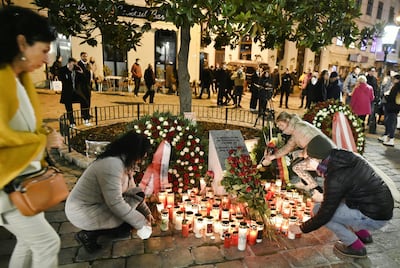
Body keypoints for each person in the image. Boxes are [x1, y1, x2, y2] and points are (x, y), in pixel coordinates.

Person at [0, 6, 60, 267]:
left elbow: (22, 128)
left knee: (29, 242)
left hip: (24, 183)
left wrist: (43, 133)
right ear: (22, 43)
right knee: (48, 243)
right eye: (44, 50)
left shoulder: (19, 80)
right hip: (9, 186)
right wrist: (40, 141)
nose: (46, 59)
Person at [289, 135, 394, 258]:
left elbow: (325, 214)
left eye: (309, 159)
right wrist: (325, 197)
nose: (308, 163)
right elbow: (347, 190)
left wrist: (301, 228)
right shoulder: (344, 158)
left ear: (316, 159)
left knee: (318, 210)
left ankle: (355, 247)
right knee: (335, 204)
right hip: (381, 208)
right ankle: (364, 235)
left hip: (374, 217)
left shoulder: (335, 177)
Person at [65, 131, 154, 253]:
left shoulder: (124, 163)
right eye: (143, 154)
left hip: (99, 205)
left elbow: (133, 192)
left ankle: (105, 229)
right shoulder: (111, 165)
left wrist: (146, 213)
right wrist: (141, 223)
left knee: (127, 224)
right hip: (82, 211)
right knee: (124, 227)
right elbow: (116, 203)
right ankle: (87, 234)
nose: (143, 158)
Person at [262, 112, 336, 191]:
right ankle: (309, 183)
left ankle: (316, 187)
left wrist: (303, 153)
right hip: (317, 153)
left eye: (281, 125)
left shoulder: (299, 128)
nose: (280, 128)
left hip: (322, 154)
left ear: (287, 121)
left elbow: (312, 140)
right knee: (296, 163)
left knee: (299, 167)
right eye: (278, 126)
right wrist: (272, 157)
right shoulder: (295, 130)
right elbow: (288, 147)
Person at [59, 57, 83, 127]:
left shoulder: (75, 70)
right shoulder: (63, 69)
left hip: (75, 91)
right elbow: (61, 78)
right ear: (69, 63)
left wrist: (80, 71)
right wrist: (69, 71)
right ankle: (72, 122)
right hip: (67, 92)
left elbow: (81, 79)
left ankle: (84, 117)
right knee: (69, 108)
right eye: (73, 64)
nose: (74, 66)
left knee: (84, 101)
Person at [378, 74, 400, 146]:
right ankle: (387, 136)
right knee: (389, 122)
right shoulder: (396, 86)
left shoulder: (396, 87)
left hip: (392, 107)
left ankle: (391, 138)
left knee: (391, 122)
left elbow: (391, 97)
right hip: (395, 107)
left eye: (394, 79)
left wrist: (386, 96)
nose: (393, 80)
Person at [77, 51, 92, 126]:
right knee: (83, 101)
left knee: (88, 100)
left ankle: (87, 114)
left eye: (86, 56)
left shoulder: (88, 64)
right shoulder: (78, 64)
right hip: (81, 86)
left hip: (88, 86)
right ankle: (84, 116)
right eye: (84, 56)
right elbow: (78, 76)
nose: (85, 57)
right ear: (81, 57)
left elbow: (90, 74)